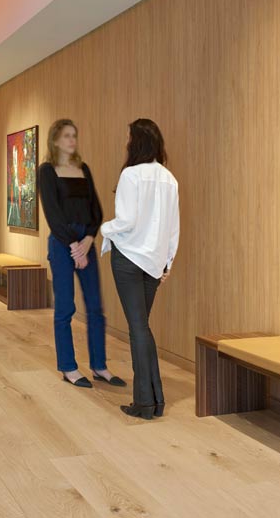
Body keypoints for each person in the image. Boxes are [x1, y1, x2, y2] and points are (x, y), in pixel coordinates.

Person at [101, 119, 179, 420]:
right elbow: (173, 228)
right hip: (155, 263)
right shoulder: (170, 179)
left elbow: (127, 221)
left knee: (138, 328)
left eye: (128, 138)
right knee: (141, 327)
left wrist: (104, 227)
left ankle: (145, 402)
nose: (125, 143)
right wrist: (168, 262)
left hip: (129, 258)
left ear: (136, 142)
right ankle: (154, 400)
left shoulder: (131, 175)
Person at [39, 119, 125, 389]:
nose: (72, 140)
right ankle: (68, 367)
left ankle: (99, 366)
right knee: (65, 307)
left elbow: (97, 211)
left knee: (96, 307)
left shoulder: (83, 168)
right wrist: (74, 247)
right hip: (63, 243)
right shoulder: (47, 170)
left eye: (74, 135)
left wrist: (88, 239)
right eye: (66, 136)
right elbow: (53, 215)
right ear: (55, 140)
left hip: (85, 242)